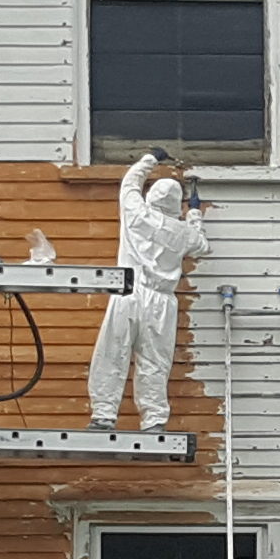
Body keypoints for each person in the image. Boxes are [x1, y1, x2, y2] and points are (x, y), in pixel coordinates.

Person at [87, 151, 209, 433]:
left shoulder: (136, 213)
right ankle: (153, 420)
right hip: (161, 302)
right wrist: (193, 214)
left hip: (128, 291)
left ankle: (104, 415)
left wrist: (151, 158)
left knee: (112, 353)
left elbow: (129, 184)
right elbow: (202, 244)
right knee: (155, 361)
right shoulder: (184, 233)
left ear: (151, 197)